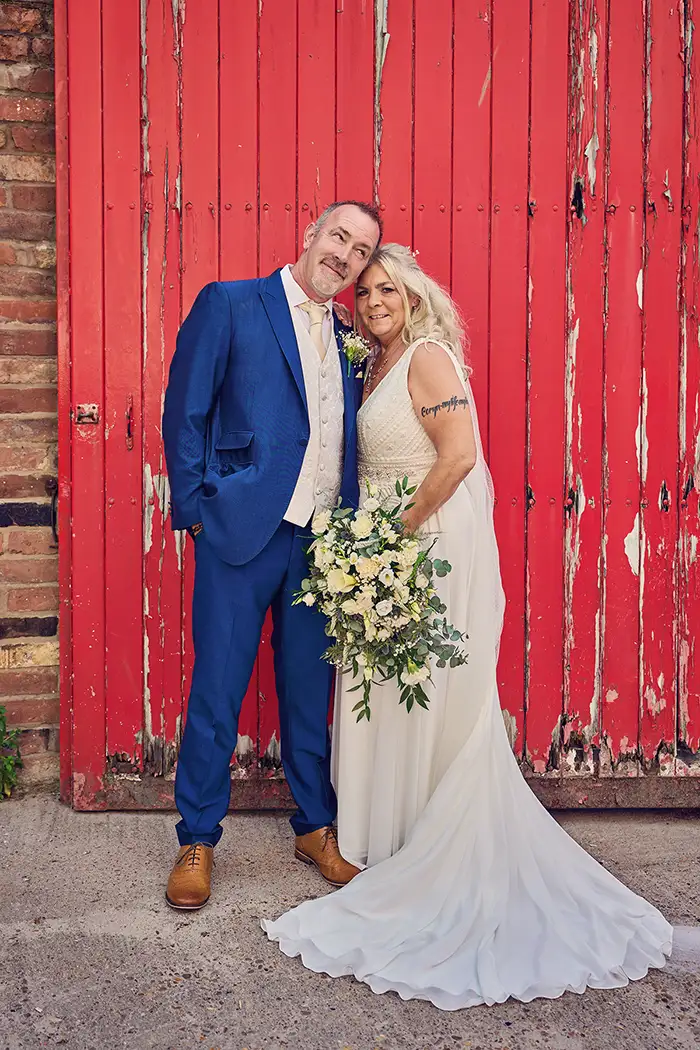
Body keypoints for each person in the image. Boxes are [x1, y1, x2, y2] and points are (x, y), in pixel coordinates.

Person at [262, 244, 672, 1008]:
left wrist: (392, 537)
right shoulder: (373, 365)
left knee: (419, 690)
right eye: (366, 291)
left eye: (389, 288)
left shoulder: (426, 358)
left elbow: (458, 458)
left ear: (414, 296)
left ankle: (424, 850)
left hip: (423, 546)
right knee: (376, 691)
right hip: (378, 551)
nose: (375, 299)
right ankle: (383, 842)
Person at [161, 201, 382, 910]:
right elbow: (184, 410)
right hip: (237, 535)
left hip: (320, 545)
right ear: (313, 233)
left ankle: (314, 825)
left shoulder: (349, 334)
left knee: (306, 694)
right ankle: (197, 837)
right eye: (339, 237)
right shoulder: (230, 304)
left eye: (360, 250)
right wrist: (196, 514)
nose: (345, 255)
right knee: (217, 693)